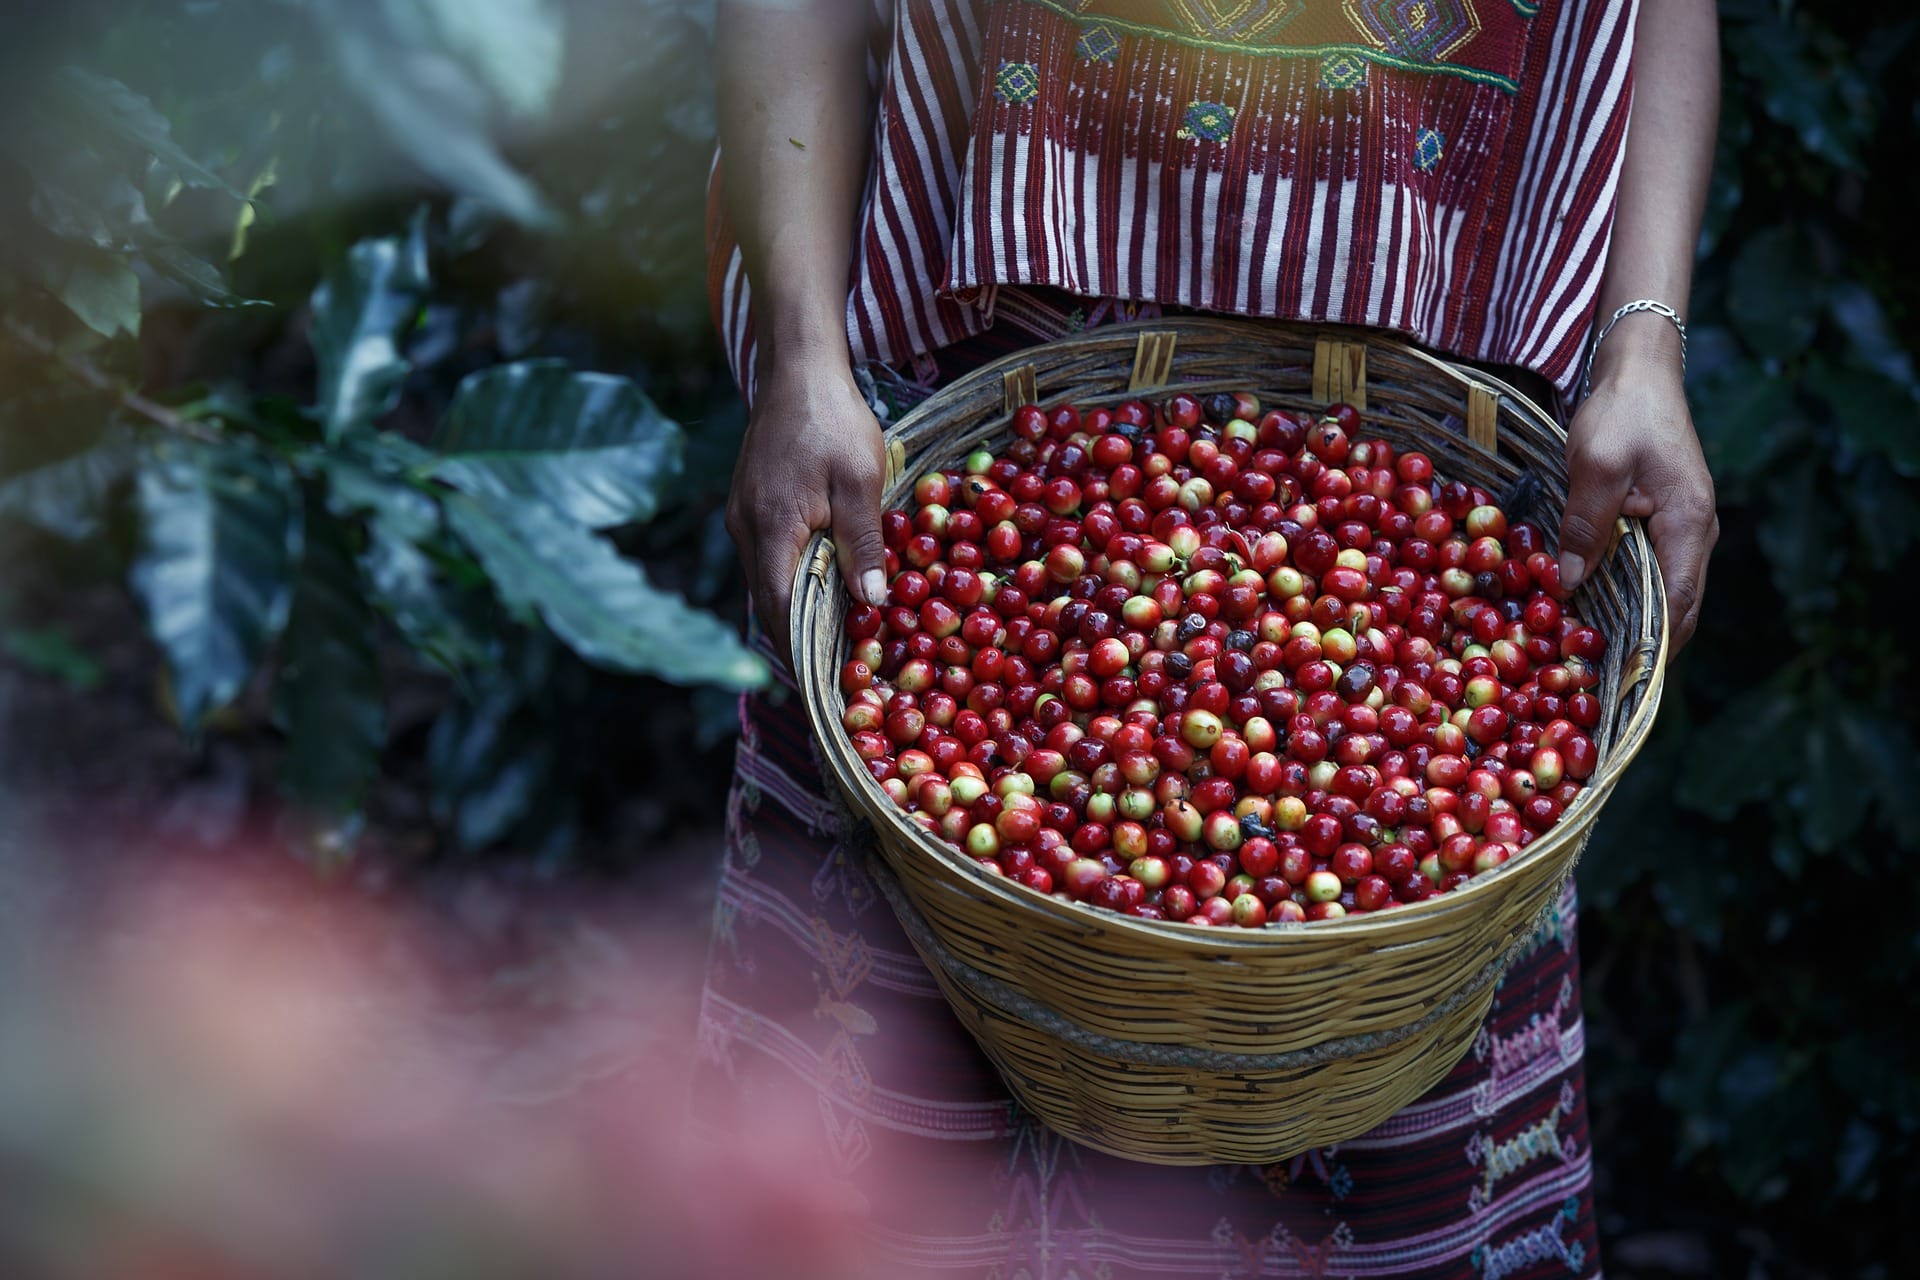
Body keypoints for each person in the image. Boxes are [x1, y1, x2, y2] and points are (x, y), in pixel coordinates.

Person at [701, 2, 1719, 1275]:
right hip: (957, 442)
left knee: (1386, 1071)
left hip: (1419, 443)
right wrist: (805, 354)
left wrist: (1644, 348)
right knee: (873, 1191)